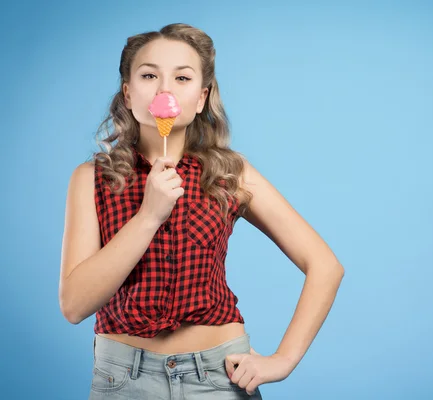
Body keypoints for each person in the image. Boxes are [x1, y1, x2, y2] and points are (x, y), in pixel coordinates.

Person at [58, 23, 345, 399]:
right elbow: (75, 305)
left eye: (182, 77)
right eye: (149, 75)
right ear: (128, 93)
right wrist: (148, 216)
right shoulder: (92, 178)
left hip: (218, 378)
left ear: (201, 97)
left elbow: (325, 266)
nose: (164, 89)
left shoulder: (229, 173)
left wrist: (282, 360)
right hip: (122, 381)